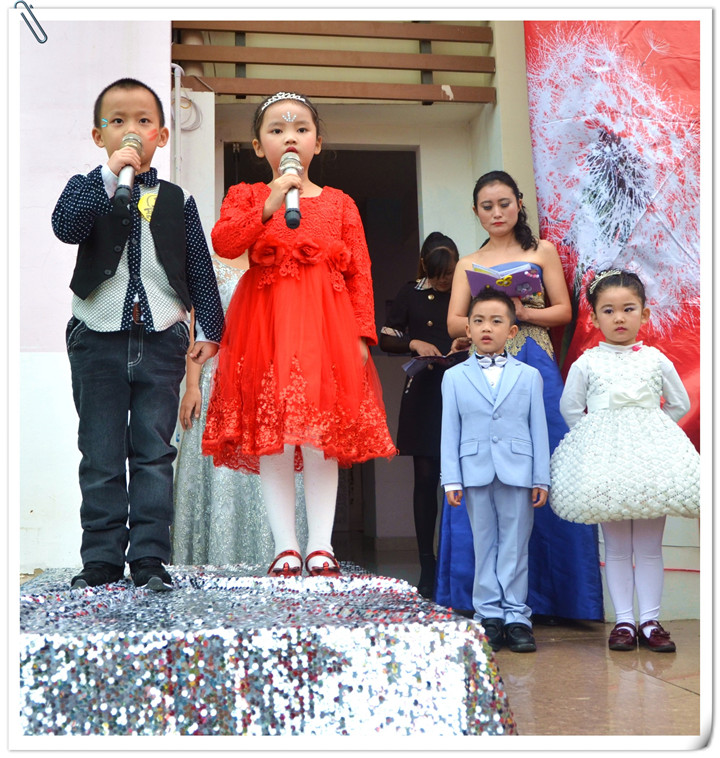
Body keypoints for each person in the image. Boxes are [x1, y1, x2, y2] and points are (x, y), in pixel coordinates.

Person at [202, 92, 396, 577]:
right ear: (257, 145)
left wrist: (361, 336)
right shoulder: (245, 196)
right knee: (274, 434)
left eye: (301, 128)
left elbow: (361, 272)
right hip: (265, 328)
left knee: (318, 434)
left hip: (326, 331)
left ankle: (321, 545)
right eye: (276, 129)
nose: (290, 136)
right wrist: (270, 201)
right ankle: (285, 546)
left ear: (317, 142)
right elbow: (224, 242)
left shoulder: (340, 203)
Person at [52, 77, 224, 591]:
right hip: (97, 337)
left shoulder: (177, 199)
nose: (131, 130)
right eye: (118, 121)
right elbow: (66, 227)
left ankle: (149, 556)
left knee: (153, 452)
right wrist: (110, 176)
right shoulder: (87, 188)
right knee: (101, 453)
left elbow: (198, 267)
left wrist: (210, 327)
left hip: (161, 339)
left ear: (162, 136)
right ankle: (102, 558)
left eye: (144, 121)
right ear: (98, 135)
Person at [438, 170, 604, 621]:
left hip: (535, 358)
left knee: (546, 463)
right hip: (483, 363)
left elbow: (564, 311)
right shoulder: (469, 262)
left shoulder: (541, 251)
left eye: (504, 204)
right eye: (487, 206)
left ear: (519, 204)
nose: (496, 213)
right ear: (476, 212)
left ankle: (555, 599)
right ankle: (483, 602)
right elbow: (453, 322)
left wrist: (522, 313)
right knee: (479, 466)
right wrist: (490, 318)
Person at [550, 269, 700, 652]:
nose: (619, 318)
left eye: (628, 309)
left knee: (649, 547)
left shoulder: (655, 359)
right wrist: (597, 437)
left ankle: (650, 620)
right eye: (609, 310)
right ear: (594, 317)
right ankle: (623, 622)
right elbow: (571, 408)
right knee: (616, 547)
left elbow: (680, 403)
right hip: (607, 464)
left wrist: (651, 430)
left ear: (644, 314)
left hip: (650, 463)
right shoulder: (587, 363)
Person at [172, 253, 308, 565]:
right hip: (218, 378)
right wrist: (192, 386)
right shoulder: (209, 263)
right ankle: (213, 561)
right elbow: (199, 326)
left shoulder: (279, 259)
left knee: (273, 464)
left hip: (268, 380)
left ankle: (280, 555)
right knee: (221, 469)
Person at [441, 290, 550, 652]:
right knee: (483, 543)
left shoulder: (529, 375)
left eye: (496, 321)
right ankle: (488, 614)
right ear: (468, 330)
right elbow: (449, 430)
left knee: (515, 545)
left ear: (512, 331)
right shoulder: (454, 377)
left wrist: (540, 477)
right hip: (474, 470)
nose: (487, 328)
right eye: (479, 321)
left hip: (518, 470)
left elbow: (538, 429)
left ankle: (517, 616)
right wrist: (451, 478)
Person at [380, 232, 468, 598]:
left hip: (462, 390)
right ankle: (427, 565)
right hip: (424, 393)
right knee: (426, 477)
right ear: (424, 268)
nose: (445, 281)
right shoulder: (410, 293)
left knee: (463, 475)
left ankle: (458, 561)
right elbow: (385, 337)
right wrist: (413, 342)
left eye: (449, 274)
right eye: (438, 275)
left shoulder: (467, 292)